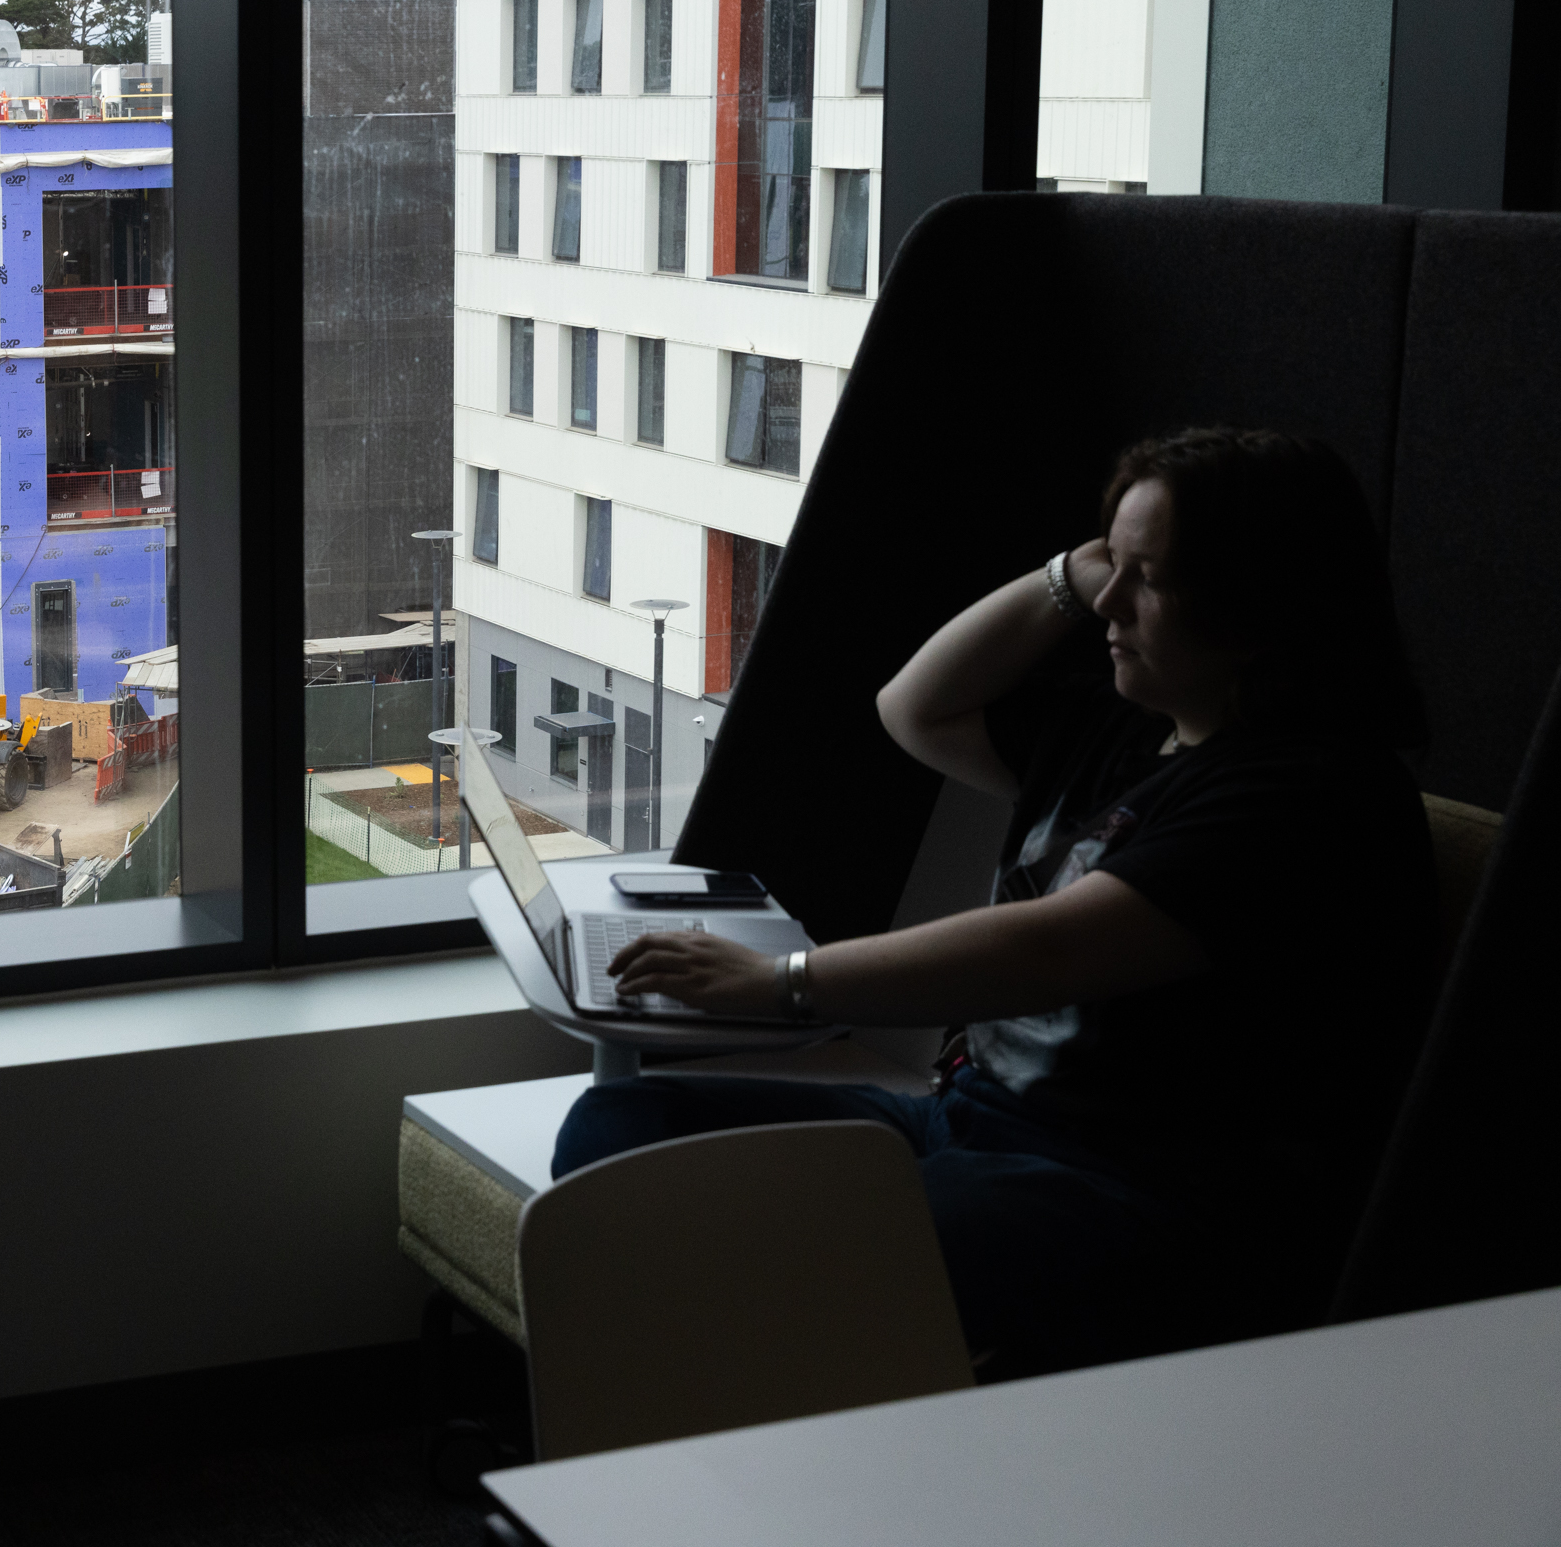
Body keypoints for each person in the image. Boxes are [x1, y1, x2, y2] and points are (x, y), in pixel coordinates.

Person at [551, 428, 1437, 1376]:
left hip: (1128, 1187)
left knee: (793, 1242)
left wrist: (784, 982)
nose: (1109, 600)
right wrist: (1063, 573)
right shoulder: (1131, 730)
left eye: (1149, 579)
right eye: (1111, 566)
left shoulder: (1308, 794)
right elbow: (913, 708)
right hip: (970, 1120)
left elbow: (1047, 952)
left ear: (1257, 608)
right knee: (616, 1136)